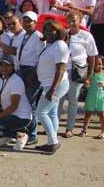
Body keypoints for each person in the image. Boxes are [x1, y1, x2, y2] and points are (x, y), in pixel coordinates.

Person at [58, 12, 97, 138]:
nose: (71, 23)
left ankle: (69, 129)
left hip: (78, 71)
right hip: (63, 71)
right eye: (69, 20)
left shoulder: (87, 36)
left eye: (73, 20)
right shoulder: (64, 34)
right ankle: (54, 126)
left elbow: (92, 58)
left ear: (80, 20)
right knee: (59, 99)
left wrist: (89, 76)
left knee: (73, 101)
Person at [0, 55, 32, 151]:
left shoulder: (16, 81)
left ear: (13, 67)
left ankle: (21, 135)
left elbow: (13, 107)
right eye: (2, 65)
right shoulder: (1, 79)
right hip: (10, 114)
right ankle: (7, 137)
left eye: (7, 65)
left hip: (21, 117)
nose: (4, 68)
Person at [35, 20, 70, 154]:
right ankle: (51, 142)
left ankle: (54, 142)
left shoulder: (60, 45)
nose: (49, 32)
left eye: (52, 30)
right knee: (52, 113)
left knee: (41, 112)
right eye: (46, 30)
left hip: (56, 85)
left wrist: (53, 89)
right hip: (48, 84)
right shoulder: (50, 45)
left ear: (59, 31)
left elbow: (61, 70)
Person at [12, 11, 45, 144]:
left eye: (29, 21)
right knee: (24, 102)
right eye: (24, 20)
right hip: (22, 70)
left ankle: (33, 134)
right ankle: (25, 131)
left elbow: (40, 57)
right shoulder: (24, 35)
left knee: (30, 103)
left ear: (35, 23)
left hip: (32, 71)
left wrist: (34, 73)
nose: (26, 23)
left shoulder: (38, 36)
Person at [78, 56, 104, 140]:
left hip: (101, 98)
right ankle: (84, 130)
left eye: (100, 64)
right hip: (91, 97)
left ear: (103, 65)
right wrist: (86, 83)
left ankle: (103, 131)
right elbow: (87, 84)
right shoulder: (90, 74)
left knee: (102, 115)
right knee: (88, 114)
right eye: (96, 64)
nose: (98, 66)